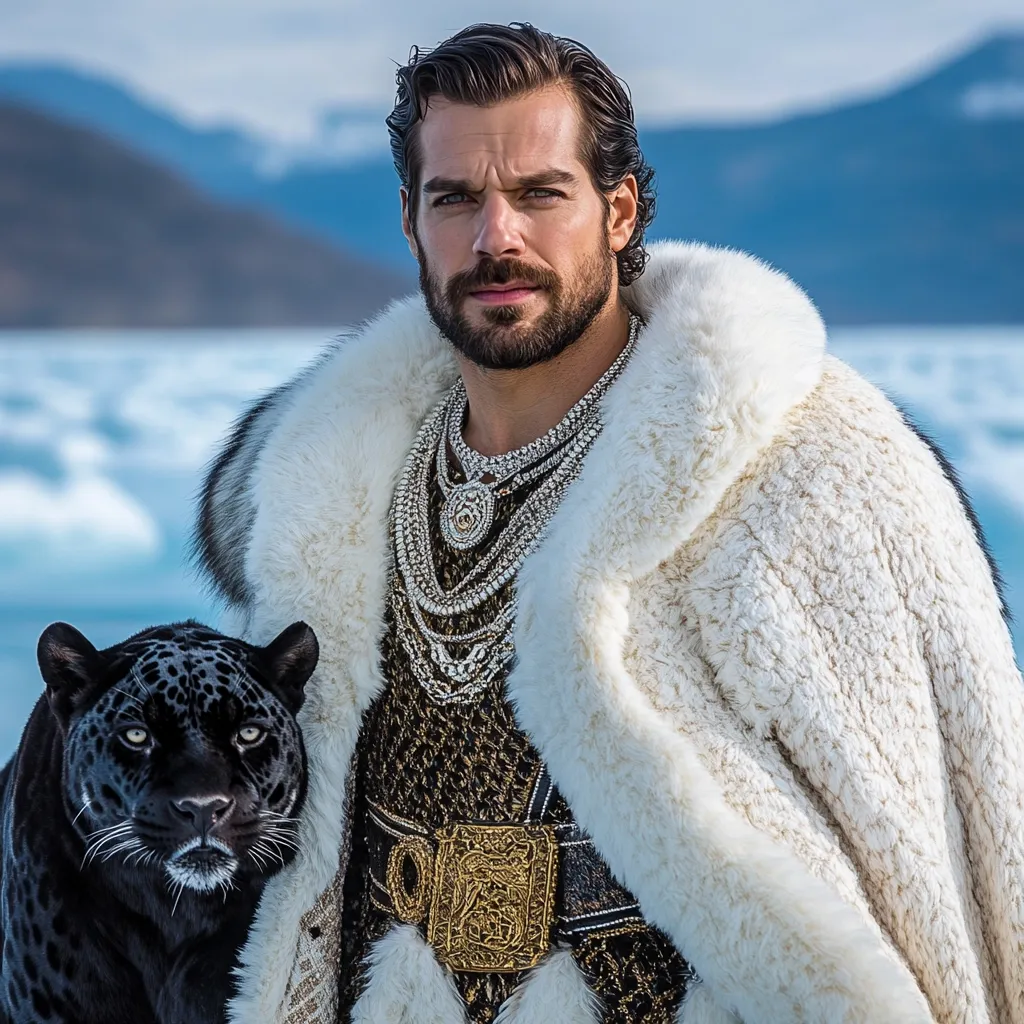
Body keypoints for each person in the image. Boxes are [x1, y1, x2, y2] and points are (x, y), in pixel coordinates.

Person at [193, 22, 1024, 1024]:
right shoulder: (331, 500)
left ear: (618, 210)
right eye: (455, 198)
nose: (497, 237)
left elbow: (944, 853)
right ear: (411, 223)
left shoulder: (806, 472)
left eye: (542, 193)